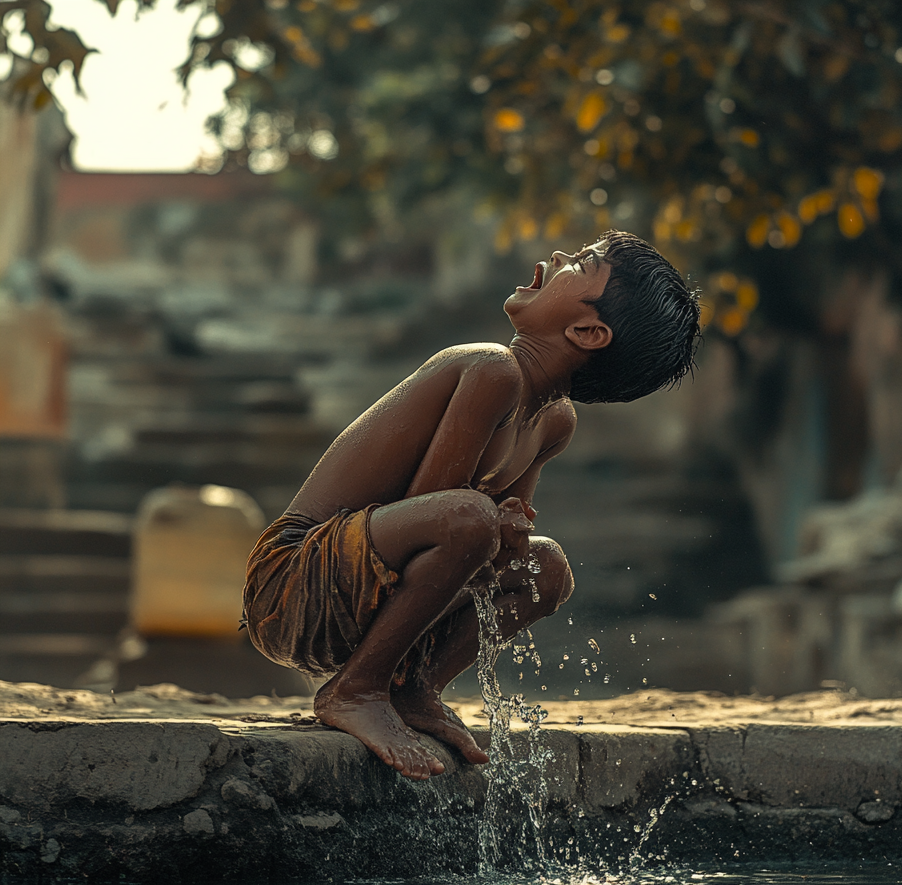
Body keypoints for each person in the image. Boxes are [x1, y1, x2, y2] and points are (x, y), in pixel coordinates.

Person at [243, 230, 701, 779]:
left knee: (545, 569)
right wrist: (491, 524)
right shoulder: (489, 369)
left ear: (586, 332)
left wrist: (508, 533)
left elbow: (491, 545)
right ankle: (355, 689)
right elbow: (435, 510)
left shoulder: (553, 422)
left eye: (580, 263)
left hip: (362, 598)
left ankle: (412, 687)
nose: (556, 257)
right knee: (469, 519)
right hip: (294, 582)